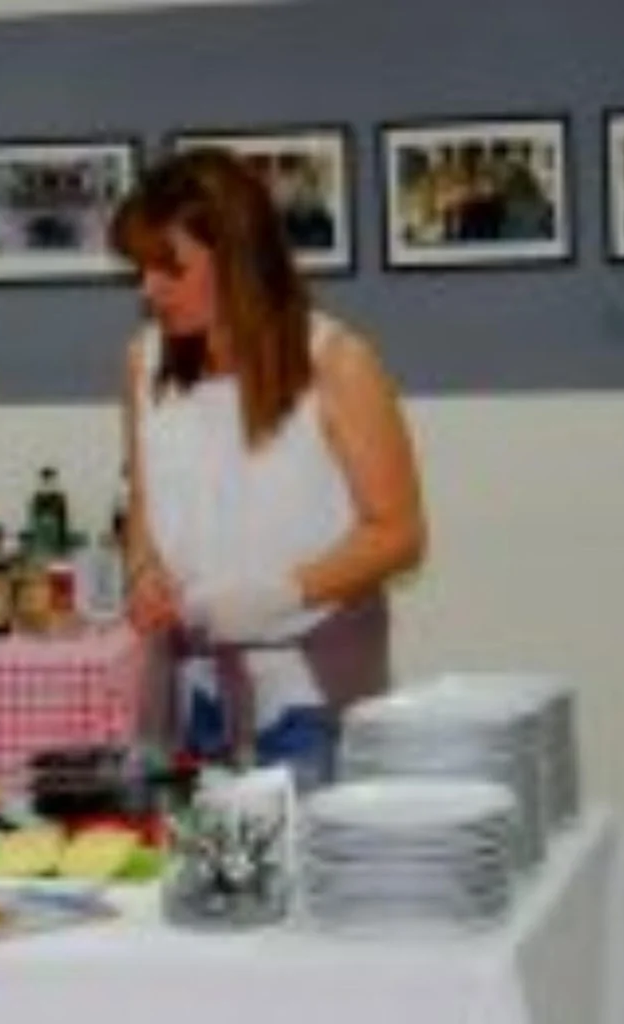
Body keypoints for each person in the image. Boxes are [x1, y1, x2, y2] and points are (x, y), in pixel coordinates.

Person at [110, 148, 426, 785]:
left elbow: (399, 534)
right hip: (197, 697)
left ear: (237, 260)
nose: (149, 289)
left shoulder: (337, 362)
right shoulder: (144, 363)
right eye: (142, 269)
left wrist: (279, 595)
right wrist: (144, 571)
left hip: (311, 696)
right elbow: (144, 503)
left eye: (171, 269)